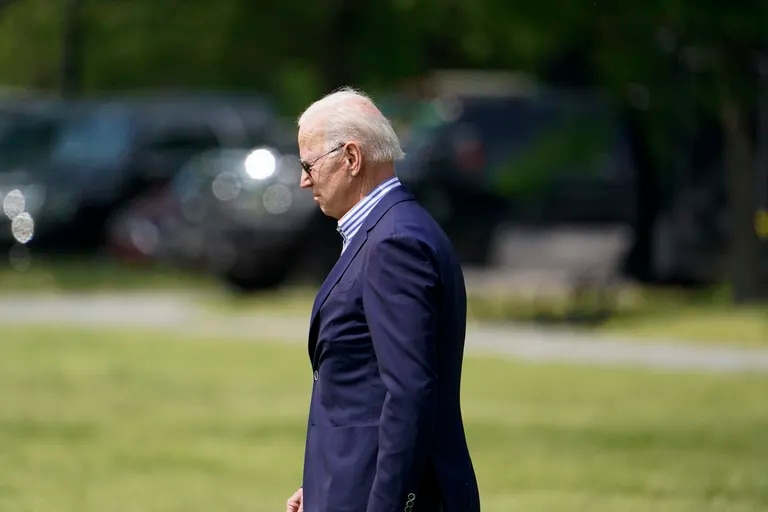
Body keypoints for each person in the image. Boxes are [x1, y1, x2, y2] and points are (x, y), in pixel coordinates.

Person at [286, 87, 480, 512]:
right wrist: (324, 485)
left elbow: (409, 393)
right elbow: (362, 391)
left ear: (351, 158)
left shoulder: (394, 243)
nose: (304, 180)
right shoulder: (384, 231)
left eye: (308, 164)